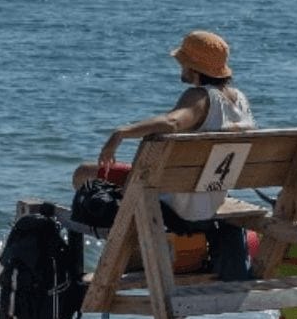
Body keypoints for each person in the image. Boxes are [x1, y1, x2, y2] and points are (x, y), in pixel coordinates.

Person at [72, 30, 256, 281]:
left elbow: (172, 123)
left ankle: (136, 256)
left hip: (176, 206)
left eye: (182, 60)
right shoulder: (241, 101)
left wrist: (122, 132)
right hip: (210, 199)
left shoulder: (200, 97)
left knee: (84, 173)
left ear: (193, 66)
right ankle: (158, 254)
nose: (178, 65)